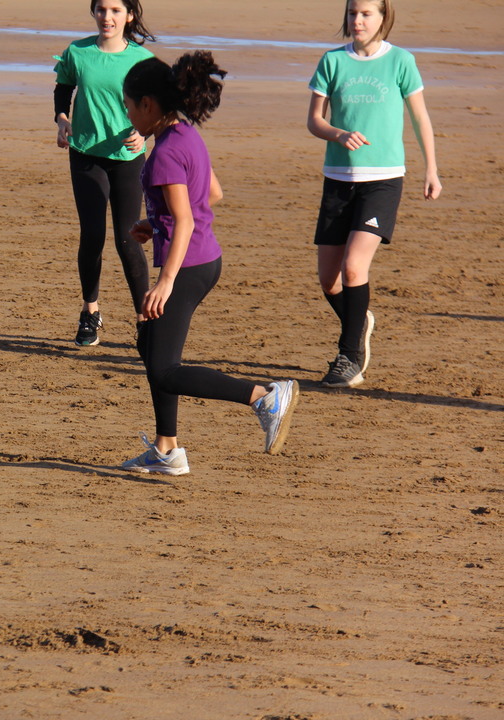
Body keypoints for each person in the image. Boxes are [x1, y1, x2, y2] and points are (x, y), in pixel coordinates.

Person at [120, 52, 299, 476]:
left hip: (187, 266)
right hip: (204, 258)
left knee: (165, 370)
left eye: (128, 106)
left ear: (147, 104)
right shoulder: (185, 134)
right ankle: (166, 450)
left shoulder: (164, 153)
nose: (127, 115)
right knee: (151, 346)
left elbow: (185, 219)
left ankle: (264, 396)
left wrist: (165, 281)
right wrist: (156, 222)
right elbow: (212, 193)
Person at [308, 0, 441, 388]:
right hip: (338, 179)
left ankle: (349, 358)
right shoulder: (333, 61)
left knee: (354, 267)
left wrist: (431, 169)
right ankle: (360, 320)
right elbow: (314, 120)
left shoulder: (400, 61)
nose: (358, 20)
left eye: (366, 13)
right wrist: (338, 134)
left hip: (383, 179)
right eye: (353, 13)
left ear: (384, 17)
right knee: (329, 280)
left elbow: (420, 117)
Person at [53, 0, 154, 346]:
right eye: (101, 9)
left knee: (129, 239)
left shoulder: (142, 60)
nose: (106, 17)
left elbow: (156, 106)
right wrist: (62, 119)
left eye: (115, 10)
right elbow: (63, 87)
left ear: (129, 15)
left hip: (127, 158)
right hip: (85, 154)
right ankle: (90, 312)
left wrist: (144, 132)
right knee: (92, 236)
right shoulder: (77, 52)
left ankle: (144, 320)